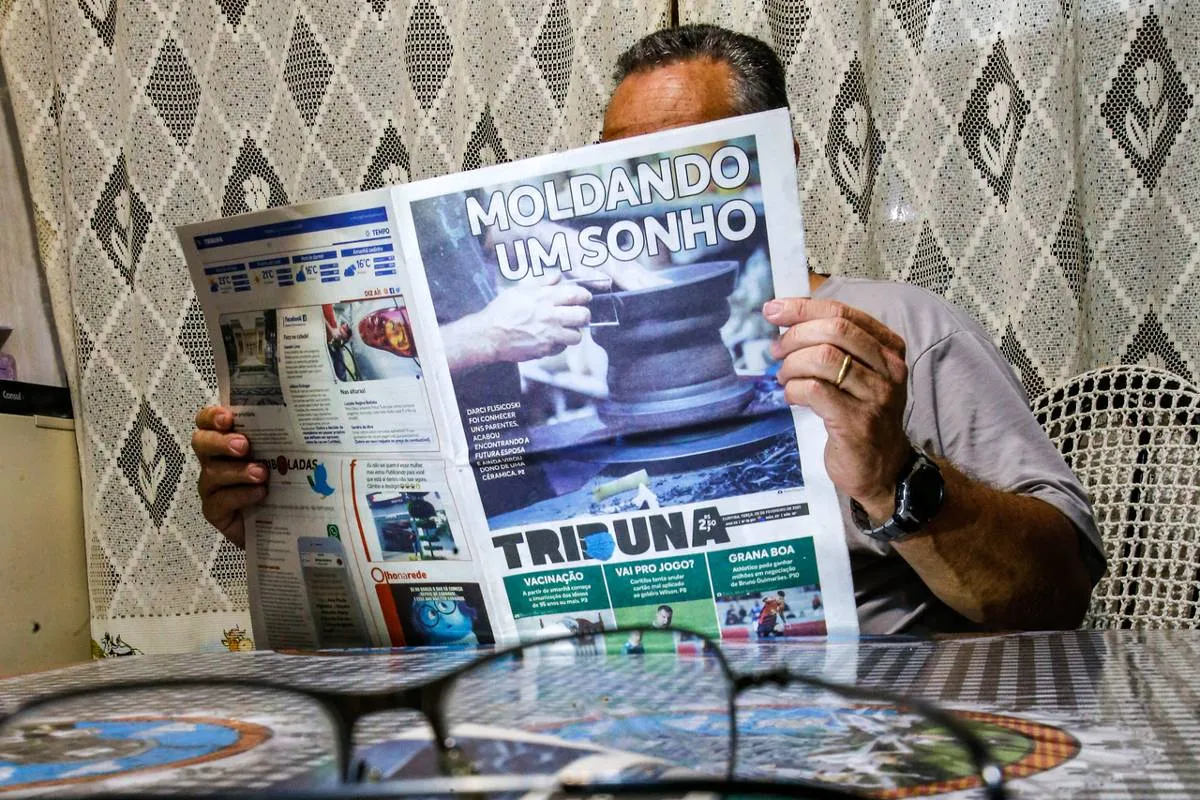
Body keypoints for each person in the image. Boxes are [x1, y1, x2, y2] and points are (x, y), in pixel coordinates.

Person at [194, 24, 1105, 635]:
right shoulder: (545, 326)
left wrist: (899, 477)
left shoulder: (901, 330)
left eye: (674, 160)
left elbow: (1058, 594)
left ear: (773, 162)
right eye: (616, 163)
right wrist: (284, 505)